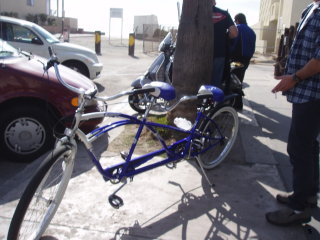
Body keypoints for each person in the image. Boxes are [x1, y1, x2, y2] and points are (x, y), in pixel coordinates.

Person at [266, 0, 320, 226]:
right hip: (304, 91)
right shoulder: (311, 7)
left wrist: (295, 77)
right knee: (308, 146)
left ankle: (299, 208)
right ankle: (306, 195)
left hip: (314, 92)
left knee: (299, 147)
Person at [211, 0, 238, 88]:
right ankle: (214, 100)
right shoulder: (223, 14)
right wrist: (225, 37)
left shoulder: (196, 13)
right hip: (219, 52)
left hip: (198, 53)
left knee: (199, 82)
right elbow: (234, 33)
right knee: (215, 82)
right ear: (214, 2)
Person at [230, 13, 256, 83]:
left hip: (237, 57)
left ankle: (234, 92)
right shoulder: (251, 31)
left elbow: (232, 42)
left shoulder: (237, 28)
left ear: (237, 20)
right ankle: (238, 91)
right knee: (240, 77)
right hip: (247, 58)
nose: (235, 22)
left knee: (233, 77)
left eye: (235, 21)